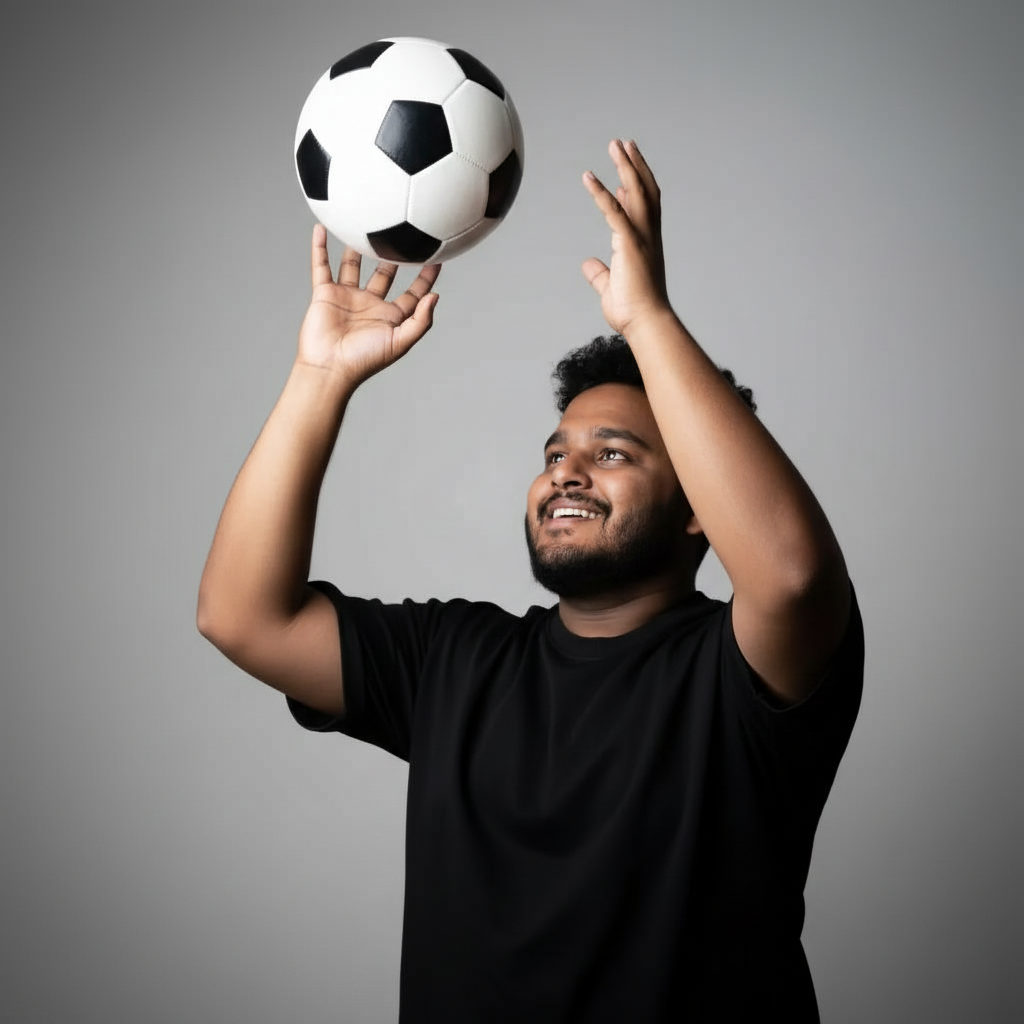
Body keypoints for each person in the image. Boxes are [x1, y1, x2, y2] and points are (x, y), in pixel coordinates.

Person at [197, 139, 863, 1022]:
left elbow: (791, 575)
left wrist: (648, 322)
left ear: (701, 506)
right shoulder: (454, 660)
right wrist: (319, 380)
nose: (565, 474)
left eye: (612, 454)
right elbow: (242, 616)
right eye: (555, 454)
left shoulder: (744, 673)